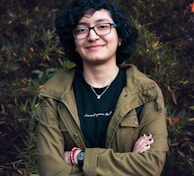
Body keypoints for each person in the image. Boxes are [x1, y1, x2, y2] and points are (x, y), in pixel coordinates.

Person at [37, 0, 168, 175]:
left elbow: (150, 167)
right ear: (74, 41)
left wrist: (79, 157)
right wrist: (130, 160)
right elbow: (50, 170)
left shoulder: (146, 92)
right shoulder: (55, 94)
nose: (92, 36)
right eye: (82, 29)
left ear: (120, 36)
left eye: (103, 26)